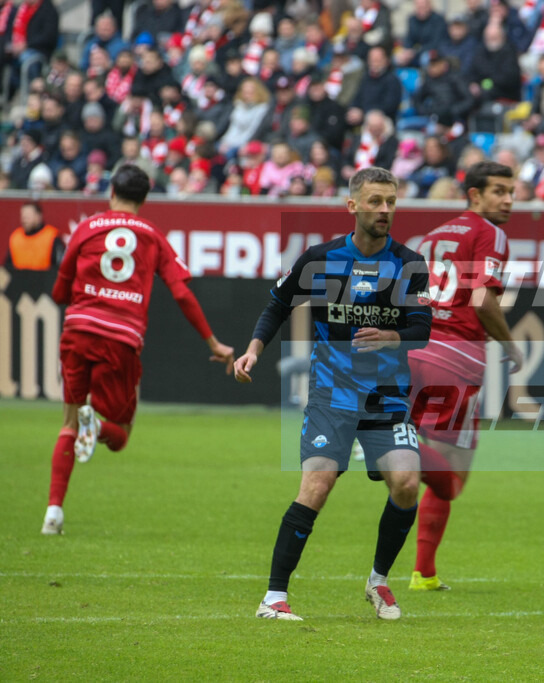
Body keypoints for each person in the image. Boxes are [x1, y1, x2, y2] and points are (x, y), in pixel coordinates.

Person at [233, 167, 432, 622]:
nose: (385, 210)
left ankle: (378, 582)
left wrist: (390, 336)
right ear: (353, 206)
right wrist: (253, 349)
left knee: (406, 484)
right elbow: (278, 304)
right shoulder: (318, 259)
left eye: (391, 202)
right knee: (317, 485)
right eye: (376, 201)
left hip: (387, 399)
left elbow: (421, 329)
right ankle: (273, 598)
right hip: (332, 394)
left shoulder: (409, 263)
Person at [42, 164, 235, 535]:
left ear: (110, 191)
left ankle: (53, 512)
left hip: (77, 331)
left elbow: (58, 291)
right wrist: (213, 342)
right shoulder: (153, 236)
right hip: (121, 338)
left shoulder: (85, 228)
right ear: (145, 199)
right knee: (122, 432)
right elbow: (181, 292)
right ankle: (96, 425)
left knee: (68, 423)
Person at [406, 161, 523, 592]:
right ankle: (392, 445)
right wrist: (510, 344)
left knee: (446, 471)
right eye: (498, 191)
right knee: (453, 476)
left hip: (414, 349)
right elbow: (482, 300)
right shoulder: (490, 234)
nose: (508, 199)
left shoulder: (434, 235)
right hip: (453, 358)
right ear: (474, 195)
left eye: (511, 190)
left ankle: (425, 573)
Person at [5, 202, 64, 271]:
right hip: (20, 279)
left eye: (28, 216)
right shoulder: (16, 237)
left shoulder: (51, 236)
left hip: (44, 279)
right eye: (23, 216)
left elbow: (59, 267)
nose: (25, 220)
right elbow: (8, 266)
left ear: (38, 216)